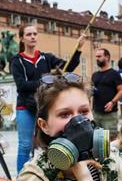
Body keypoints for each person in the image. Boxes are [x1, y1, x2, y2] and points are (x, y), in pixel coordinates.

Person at [11, 24, 85, 172]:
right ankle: (20, 180)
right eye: (29, 34)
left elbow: (67, 67)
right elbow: (21, 85)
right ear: (21, 38)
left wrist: (78, 49)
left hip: (44, 106)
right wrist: (46, 80)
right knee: (25, 145)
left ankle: (49, 175)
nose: (33, 37)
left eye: (35, 34)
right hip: (25, 106)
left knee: (49, 141)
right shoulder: (17, 60)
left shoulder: (46, 57)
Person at [91, 48, 122, 134]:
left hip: (110, 114)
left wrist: (112, 102)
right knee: (96, 140)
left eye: (99, 56)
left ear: (107, 57)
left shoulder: (114, 74)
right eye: (96, 57)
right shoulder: (94, 75)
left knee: (110, 140)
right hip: (96, 113)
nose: (97, 59)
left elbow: (121, 91)